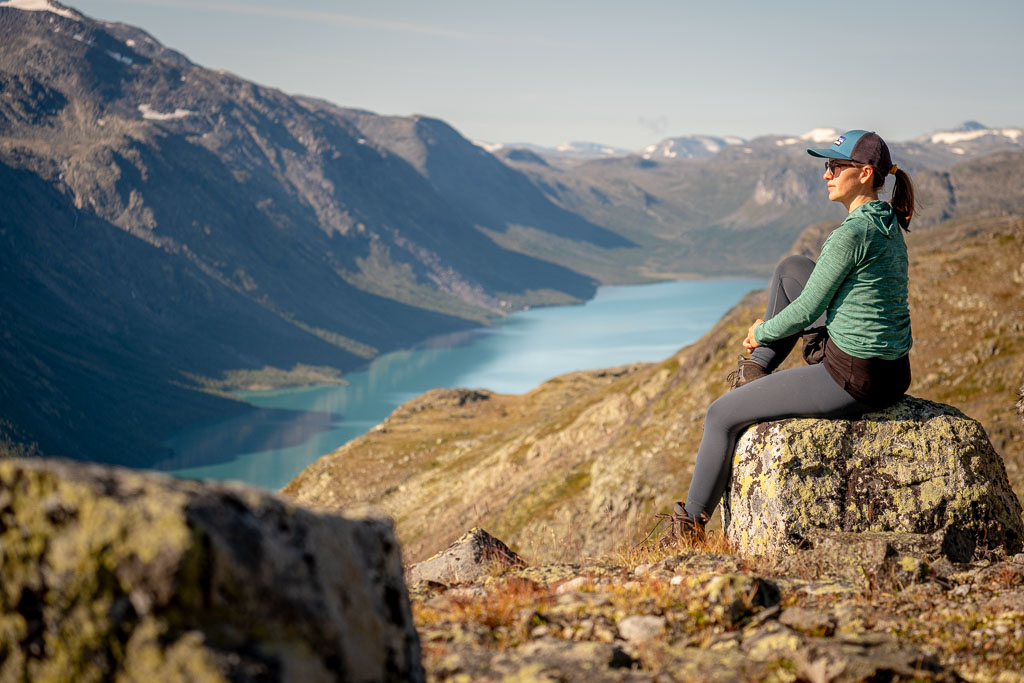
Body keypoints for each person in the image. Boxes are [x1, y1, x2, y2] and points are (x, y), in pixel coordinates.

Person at [661, 129, 916, 546]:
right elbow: (813, 292)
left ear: (865, 173)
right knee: (793, 266)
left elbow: (806, 311)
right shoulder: (886, 222)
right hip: (892, 372)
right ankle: (756, 369)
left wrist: (759, 331)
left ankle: (687, 529)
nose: (826, 175)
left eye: (835, 166)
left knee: (721, 416)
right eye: (825, 166)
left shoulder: (850, 235)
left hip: (854, 378)